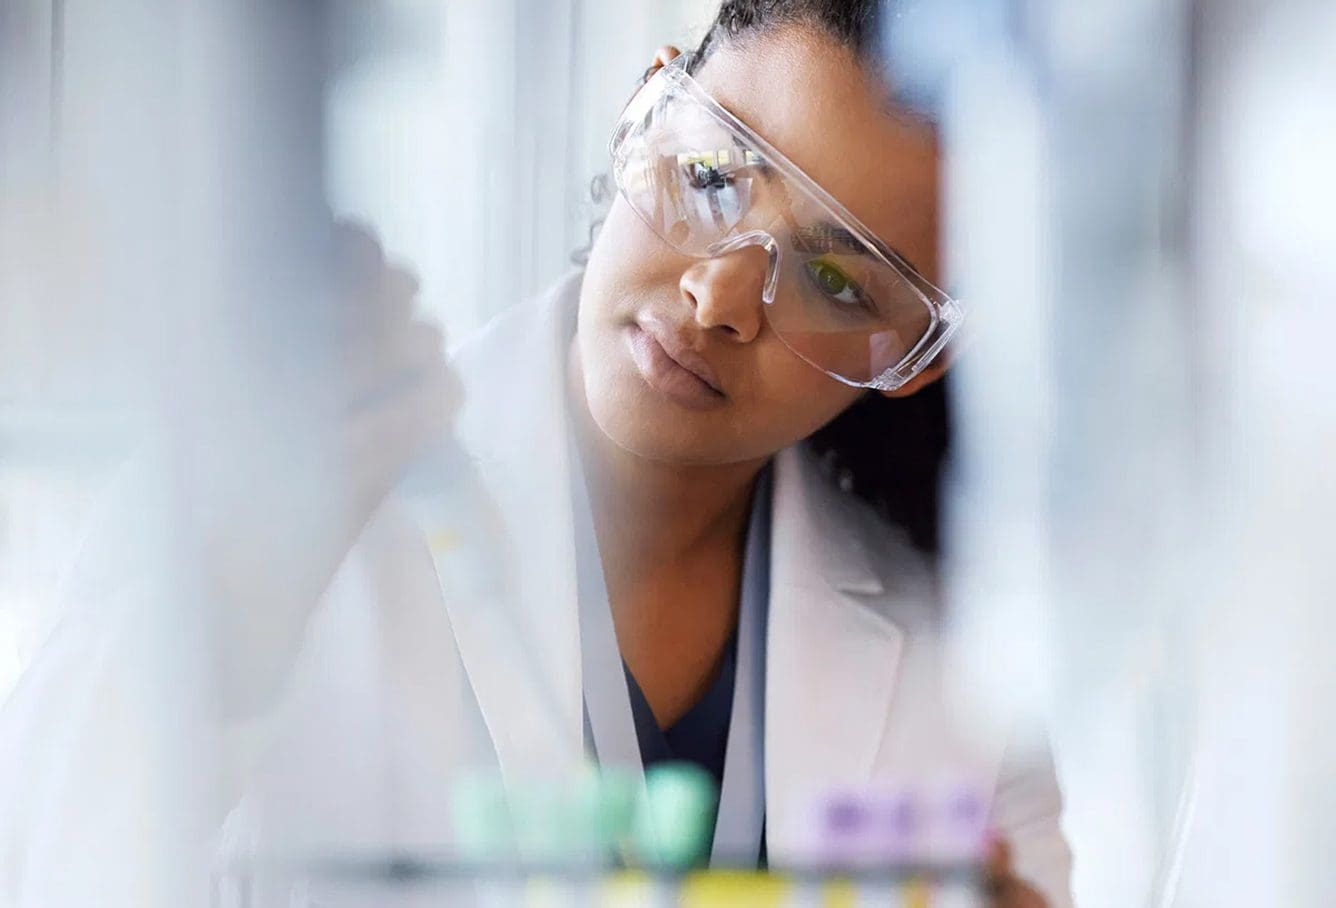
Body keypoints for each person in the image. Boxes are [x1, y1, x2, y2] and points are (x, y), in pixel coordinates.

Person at [0, 2, 1071, 906]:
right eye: (711, 175)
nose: (717, 296)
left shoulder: (968, 679)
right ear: (642, 113)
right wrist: (234, 602)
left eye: (836, 282)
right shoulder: (286, 483)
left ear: (916, 356)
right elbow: (46, 854)